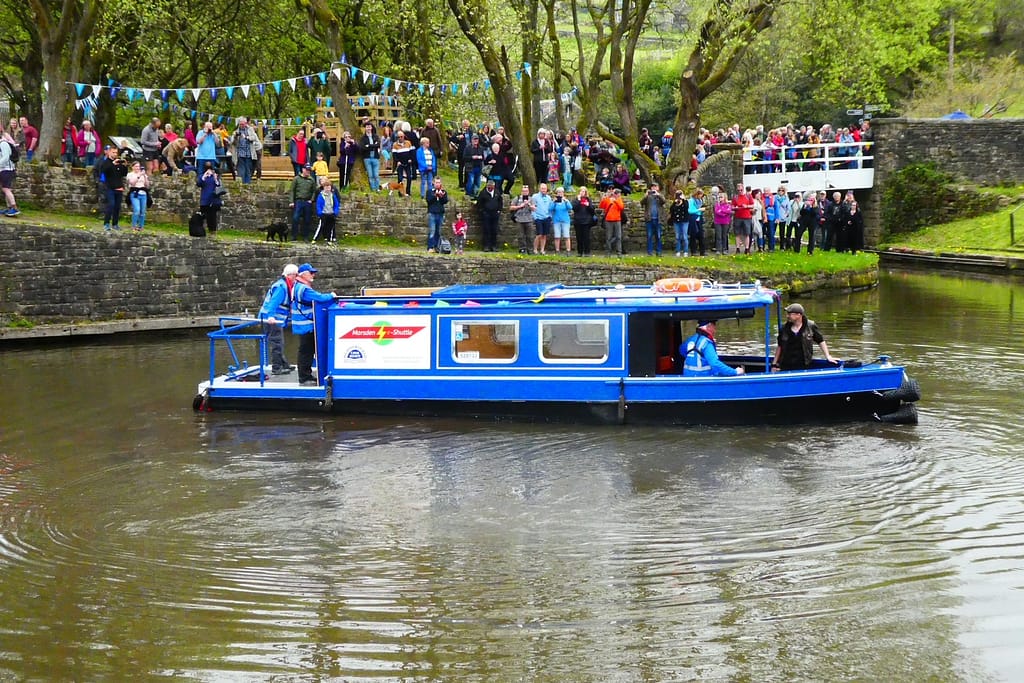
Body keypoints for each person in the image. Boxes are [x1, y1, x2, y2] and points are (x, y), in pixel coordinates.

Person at [291, 263, 337, 385]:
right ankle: (304, 378)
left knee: (306, 351)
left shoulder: (298, 286)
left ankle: (306, 376)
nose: (313, 275)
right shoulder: (304, 289)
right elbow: (320, 298)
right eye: (311, 273)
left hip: (303, 325)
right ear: (303, 274)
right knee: (306, 352)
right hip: (306, 325)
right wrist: (331, 295)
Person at [772, 303, 838, 372]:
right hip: (786, 364)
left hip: (804, 364)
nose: (787, 316)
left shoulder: (810, 326)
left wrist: (828, 356)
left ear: (798, 315)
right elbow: (780, 346)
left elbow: (821, 341)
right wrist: (774, 364)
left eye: (789, 314)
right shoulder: (784, 328)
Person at [258, 263, 298, 376]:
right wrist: (270, 316)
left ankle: (283, 364)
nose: (297, 278)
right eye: (296, 275)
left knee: (279, 341)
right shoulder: (281, 287)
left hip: (275, 318)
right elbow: (273, 303)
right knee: (277, 342)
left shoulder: (284, 285)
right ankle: (277, 368)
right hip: (271, 318)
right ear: (291, 275)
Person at [96, 145, 128, 230]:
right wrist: (112, 164)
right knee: (111, 205)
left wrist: (125, 166)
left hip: (119, 187)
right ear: (109, 152)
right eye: (113, 152)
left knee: (117, 207)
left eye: (116, 152)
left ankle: (115, 224)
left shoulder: (118, 162)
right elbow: (103, 171)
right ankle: (106, 223)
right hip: (110, 187)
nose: (115, 154)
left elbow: (124, 174)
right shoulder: (106, 162)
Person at [288, 164, 317, 241]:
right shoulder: (296, 179)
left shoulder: (311, 180)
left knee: (307, 219)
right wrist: (291, 201)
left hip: (307, 202)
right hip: (298, 201)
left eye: (309, 170)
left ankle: (305, 236)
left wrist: (311, 200)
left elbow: (314, 191)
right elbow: (292, 190)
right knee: (295, 218)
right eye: (307, 170)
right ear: (303, 170)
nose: (308, 172)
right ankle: (294, 235)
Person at [228, 117, 260, 184]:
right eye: (240, 124)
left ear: (245, 123)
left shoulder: (250, 129)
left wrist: (246, 137)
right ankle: (241, 184)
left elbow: (254, 138)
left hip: (249, 153)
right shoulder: (236, 131)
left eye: (243, 124)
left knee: (248, 170)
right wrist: (235, 137)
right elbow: (232, 142)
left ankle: (247, 184)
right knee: (241, 171)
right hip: (239, 154)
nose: (241, 126)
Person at [475, 178, 503, 252]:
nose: (490, 188)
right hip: (486, 214)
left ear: (494, 186)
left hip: (495, 214)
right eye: (489, 187)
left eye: (491, 187)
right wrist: (482, 211)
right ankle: (486, 246)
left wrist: (499, 210)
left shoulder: (497, 192)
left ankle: (494, 246)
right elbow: (479, 203)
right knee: (486, 229)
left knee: (494, 229)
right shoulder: (483, 193)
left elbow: (500, 201)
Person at [571, 186, 598, 257]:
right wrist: (579, 200)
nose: (582, 192)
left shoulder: (588, 199)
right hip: (578, 221)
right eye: (581, 191)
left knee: (586, 238)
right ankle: (579, 252)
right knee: (579, 237)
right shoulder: (575, 200)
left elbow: (592, 211)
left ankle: (587, 252)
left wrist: (588, 205)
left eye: (584, 191)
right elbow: (574, 208)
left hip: (586, 221)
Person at [196, 161, 222, 234]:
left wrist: (215, 178)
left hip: (213, 200)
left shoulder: (215, 176)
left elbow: (218, 185)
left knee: (212, 217)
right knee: (202, 215)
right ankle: (199, 230)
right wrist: (204, 176)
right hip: (204, 200)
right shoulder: (202, 176)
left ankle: (212, 231)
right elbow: (199, 183)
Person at [599, 187, 626, 256]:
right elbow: (601, 206)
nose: (617, 194)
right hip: (608, 220)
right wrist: (604, 198)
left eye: (618, 193)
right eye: (615, 193)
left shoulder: (619, 199)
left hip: (617, 220)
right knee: (608, 237)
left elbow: (621, 207)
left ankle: (619, 253)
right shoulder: (608, 199)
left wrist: (615, 200)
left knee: (618, 237)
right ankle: (608, 253)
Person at [641, 183, 666, 256]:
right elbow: (642, 202)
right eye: (652, 187)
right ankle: (650, 252)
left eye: (655, 186)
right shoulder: (648, 196)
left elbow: (664, 201)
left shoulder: (660, 195)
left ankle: (659, 252)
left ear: (658, 188)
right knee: (649, 236)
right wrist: (646, 195)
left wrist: (658, 195)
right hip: (649, 219)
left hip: (658, 219)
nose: (654, 188)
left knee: (658, 236)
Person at [125, 160, 151, 231]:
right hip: (134, 193)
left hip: (143, 194)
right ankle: (134, 225)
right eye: (136, 166)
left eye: (138, 166)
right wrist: (139, 176)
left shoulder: (143, 175)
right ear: (132, 167)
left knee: (142, 211)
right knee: (137, 210)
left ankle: (141, 226)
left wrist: (144, 176)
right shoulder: (130, 174)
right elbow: (132, 183)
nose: (137, 168)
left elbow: (147, 185)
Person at [509, 185, 535, 254]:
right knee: (520, 236)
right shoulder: (517, 198)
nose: (525, 192)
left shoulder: (531, 199)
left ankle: (530, 250)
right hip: (519, 219)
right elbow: (511, 208)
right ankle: (522, 249)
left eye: (526, 191)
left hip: (529, 220)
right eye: (523, 191)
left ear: (528, 192)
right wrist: (520, 206)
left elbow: (534, 209)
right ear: (521, 192)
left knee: (530, 236)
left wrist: (529, 204)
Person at [425, 177, 448, 252]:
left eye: (439, 182)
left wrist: (441, 196)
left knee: (438, 231)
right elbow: (428, 200)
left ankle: (436, 247)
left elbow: (445, 201)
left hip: (440, 213)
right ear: (433, 183)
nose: (437, 184)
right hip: (432, 213)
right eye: (436, 182)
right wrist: (435, 195)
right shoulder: (429, 192)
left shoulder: (443, 191)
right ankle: (430, 247)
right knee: (432, 230)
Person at [0, 126, 19, 216]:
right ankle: (9, 208)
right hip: (3, 169)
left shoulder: (3, 144)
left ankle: (14, 208)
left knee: (6, 189)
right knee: (5, 189)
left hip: (7, 169)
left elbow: (5, 157)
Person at [314, 177, 341, 243]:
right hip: (323, 213)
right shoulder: (321, 195)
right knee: (321, 226)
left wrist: (335, 212)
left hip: (331, 213)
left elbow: (336, 204)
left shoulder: (333, 195)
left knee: (331, 227)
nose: (328, 188)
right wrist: (320, 213)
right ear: (324, 187)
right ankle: (315, 239)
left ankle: (330, 239)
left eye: (329, 187)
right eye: (326, 187)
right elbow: (318, 204)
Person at [530, 182, 554, 255]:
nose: (544, 190)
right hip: (538, 218)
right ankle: (535, 249)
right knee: (539, 234)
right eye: (542, 188)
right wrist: (535, 217)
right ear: (539, 189)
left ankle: (542, 250)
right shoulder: (535, 196)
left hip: (546, 218)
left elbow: (550, 208)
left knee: (544, 235)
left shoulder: (548, 198)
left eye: (545, 188)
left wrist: (550, 216)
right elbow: (532, 207)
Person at [391, 129, 416, 196]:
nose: (400, 138)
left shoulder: (408, 143)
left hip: (407, 163)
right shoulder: (395, 145)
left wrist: (410, 159)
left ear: (404, 136)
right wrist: (397, 161)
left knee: (409, 177)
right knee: (400, 178)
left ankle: (408, 191)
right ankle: (400, 192)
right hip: (400, 163)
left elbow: (412, 152)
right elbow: (394, 155)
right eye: (398, 137)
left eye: (401, 136)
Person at [359, 122, 381, 192]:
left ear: (371, 128)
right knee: (370, 175)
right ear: (365, 128)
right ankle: (373, 189)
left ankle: (378, 188)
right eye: (367, 127)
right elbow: (362, 148)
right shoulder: (363, 138)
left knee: (376, 175)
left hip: (375, 158)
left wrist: (368, 145)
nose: (368, 128)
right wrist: (373, 145)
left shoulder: (376, 136)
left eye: (369, 126)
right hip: (367, 158)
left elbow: (378, 145)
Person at [550, 185, 572, 254]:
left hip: (565, 221)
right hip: (556, 221)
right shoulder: (554, 201)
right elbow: (550, 209)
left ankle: (568, 250)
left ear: (563, 193)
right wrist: (553, 202)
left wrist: (566, 201)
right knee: (557, 236)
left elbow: (570, 207)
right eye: (558, 192)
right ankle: (557, 250)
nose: (560, 194)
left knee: (566, 236)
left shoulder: (566, 201)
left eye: (561, 192)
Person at [670, 190, 689, 257]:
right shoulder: (675, 202)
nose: (679, 197)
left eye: (680, 195)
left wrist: (684, 199)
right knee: (677, 236)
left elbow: (686, 208)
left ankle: (685, 251)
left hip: (684, 221)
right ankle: (678, 250)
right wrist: (674, 203)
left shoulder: (685, 202)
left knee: (684, 236)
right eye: (677, 195)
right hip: (676, 221)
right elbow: (671, 210)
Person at [688, 188, 705, 256]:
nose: (701, 196)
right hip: (693, 219)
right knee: (693, 235)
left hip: (699, 219)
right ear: (696, 194)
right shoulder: (691, 201)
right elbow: (690, 211)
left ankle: (702, 251)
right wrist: (699, 210)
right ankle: (693, 251)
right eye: (700, 194)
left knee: (701, 235)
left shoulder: (700, 200)